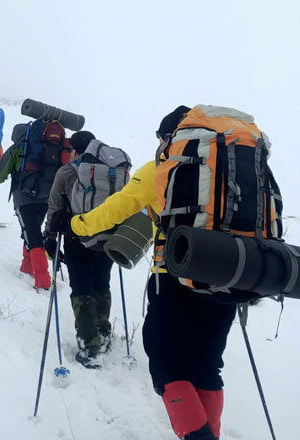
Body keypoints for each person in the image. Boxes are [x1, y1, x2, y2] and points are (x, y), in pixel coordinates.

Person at [69, 106, 257, 439]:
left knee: (166, 362)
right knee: (207, 366)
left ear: (169, 137)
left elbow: (116, 209)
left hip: (175, 277)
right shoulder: (236, 168)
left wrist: (77, 223)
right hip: (232, 274)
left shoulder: (162, 166)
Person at [41, 130, 115, 368]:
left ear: (74, 149)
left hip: (77, 238)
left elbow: (54, 207)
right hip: (107, 237)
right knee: (102, 283)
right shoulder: (110, 172)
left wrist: (49, 237)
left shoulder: (67, 171)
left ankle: (89, 345)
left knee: (81, 289)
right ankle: (104, 332)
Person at [0, 121, 72, 290]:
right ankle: (27, 266)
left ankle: (43, 281)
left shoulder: (19, 147)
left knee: (32, 235)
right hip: (48, 199)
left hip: (24, 199)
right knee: (30, 231)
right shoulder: (53, 147)